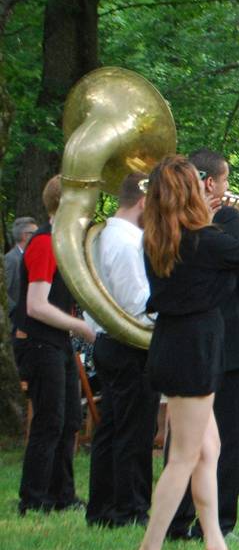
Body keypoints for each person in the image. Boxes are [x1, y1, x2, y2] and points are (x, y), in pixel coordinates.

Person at [124, 156, 239, 550]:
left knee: (208, 450)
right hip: (194, 351)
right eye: (199, 185)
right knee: (183, 457)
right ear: (190, 192)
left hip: (174, 345)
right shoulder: (203, 241)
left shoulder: (161, 238)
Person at [166, 149, 239, 541]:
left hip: (189, 343)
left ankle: (177, 521)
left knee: (187, 439)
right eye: (225, 181)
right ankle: (221, 524)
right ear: (210, 183)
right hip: (231, 342)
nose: (228, 189)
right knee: (231, 437)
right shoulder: (225, 219)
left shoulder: (170, 223)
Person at [15, 175, 96, 516]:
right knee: (50, 421)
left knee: (69, 420)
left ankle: (62, 495)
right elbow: (36, 305)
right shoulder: (45, 243)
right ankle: (34, 498)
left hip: (55, 342)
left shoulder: (61, 243)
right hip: (38, 343)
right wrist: (79, 326)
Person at [85, 172, 159, 529]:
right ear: (144, 201)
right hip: (128, 344)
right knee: (134, 430)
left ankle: (102, 507)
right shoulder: (128, 242)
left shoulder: (103, 235)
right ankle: (130, 509)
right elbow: (137, 304)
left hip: (107, 341)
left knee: (112, 427)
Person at [5, 216, 37, 318]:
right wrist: (17, 312)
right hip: (16, 324)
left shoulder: (31, 256)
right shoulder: (11, 259)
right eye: (36, 234)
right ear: (25, 236)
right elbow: (3, 293)